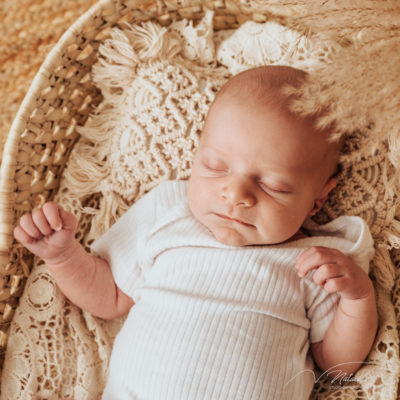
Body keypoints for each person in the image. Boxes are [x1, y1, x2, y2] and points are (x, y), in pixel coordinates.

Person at [14, 66, 378, 399]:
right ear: (196, 156)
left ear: (317, 200)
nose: (236, 195)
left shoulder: (317, 261)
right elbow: (108, 297)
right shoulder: (169, 211)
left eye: (273, 186)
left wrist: (357, 298)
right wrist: (62, 256)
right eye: (215, 167)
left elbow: (337, 367)